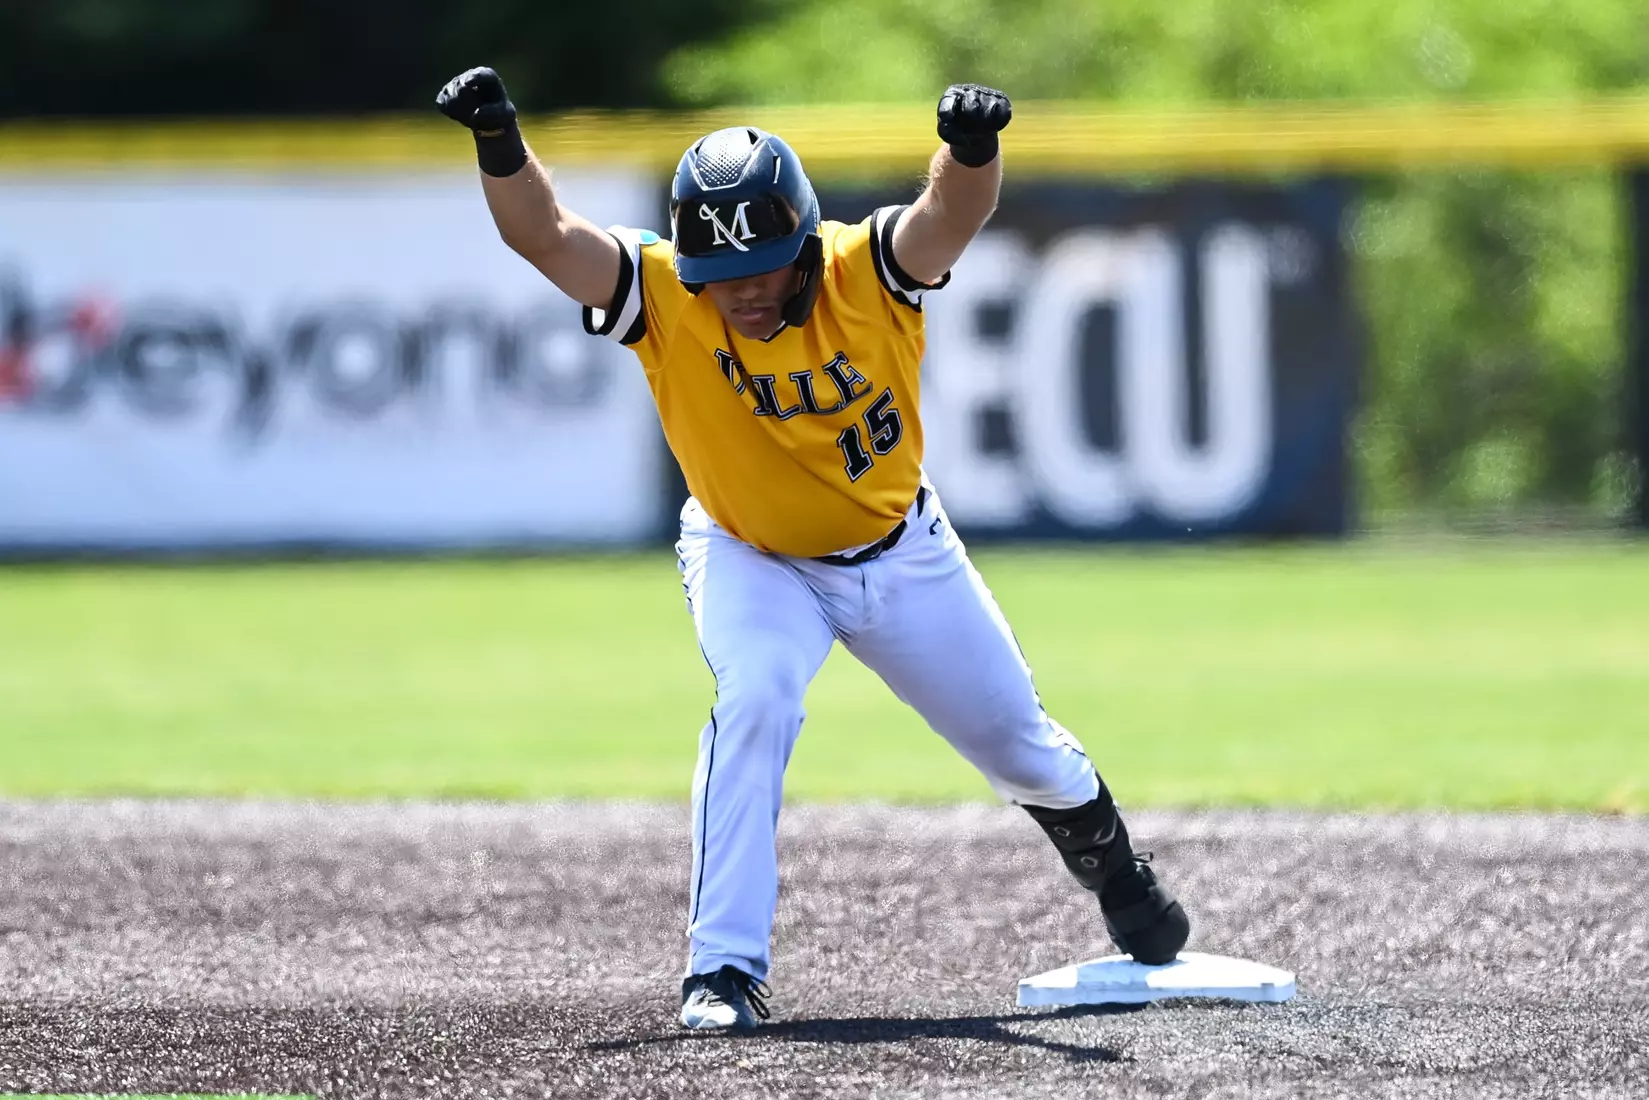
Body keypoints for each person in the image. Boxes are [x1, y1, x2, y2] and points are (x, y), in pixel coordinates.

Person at [436, 67, 1191, 1033]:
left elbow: (949, 216)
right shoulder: (669, 293)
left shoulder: (862, 271)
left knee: (1025, 751)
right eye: (722, 277)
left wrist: (969, 151)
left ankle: (1119, 874)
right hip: (750, 555)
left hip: (901, 552)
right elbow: (541, 235)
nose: (740, 295)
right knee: (754, 700)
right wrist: (500, 138)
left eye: (760, 271)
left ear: (801, 246)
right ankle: (721, 971)